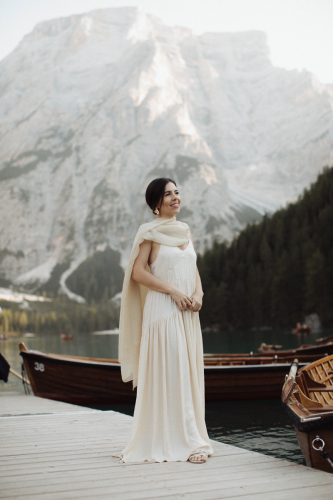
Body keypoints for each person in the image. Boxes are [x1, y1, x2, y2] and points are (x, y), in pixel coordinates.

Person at [114, 178, 213, 464]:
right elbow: (137, 273)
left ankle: (190, 436)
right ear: (156, 204)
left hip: (188, 313)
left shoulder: (185, 231)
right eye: (168, 194)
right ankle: (189, 443)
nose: (175, 197)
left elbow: (192, 267)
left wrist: (199, 293)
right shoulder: (150, 233)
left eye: (177, 192)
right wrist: (172, 290)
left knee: (189, 371)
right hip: (163, 310)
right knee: (175, 369)